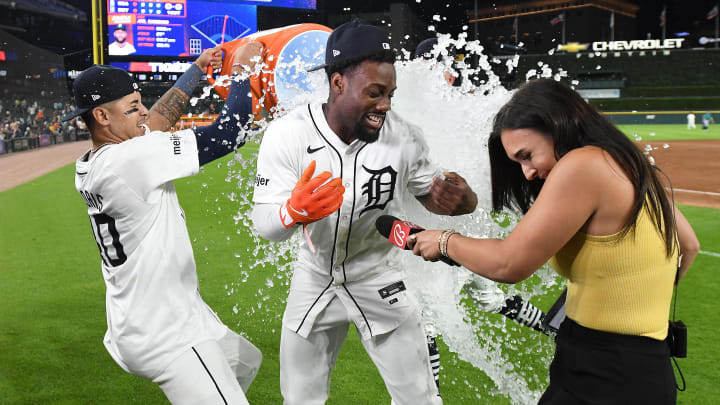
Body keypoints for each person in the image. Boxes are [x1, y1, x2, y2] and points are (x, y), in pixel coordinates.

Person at [408, 78, 700, 404]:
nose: (527, 172)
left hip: (604, 372)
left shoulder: (583, 165)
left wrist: (445, 240)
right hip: (644, 365)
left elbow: (509, 263)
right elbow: (688, 245)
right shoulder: (630, 162)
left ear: (558, 127)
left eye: (527, 155)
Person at [251, 19, 478, 405]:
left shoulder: (404, 137)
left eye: (391, 93)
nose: (386, 105)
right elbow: (265, 226)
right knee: (299, 400)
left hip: (378, 276)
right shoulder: (287, 133)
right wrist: (292, 212)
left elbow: (444, 196)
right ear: (338, 83)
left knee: (421, 399)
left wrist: (463, 199)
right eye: (375, 92)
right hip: (314, 279)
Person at [63, 42, 265, 404]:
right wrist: (243, 72)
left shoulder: (95, 162)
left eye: (139, 101)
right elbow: (227, 133)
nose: (142, 112)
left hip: (141, 317)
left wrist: (198, 68)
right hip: (166, 331)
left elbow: (158, 118)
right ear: (102, 117)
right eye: (132, 107)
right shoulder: (131, 159)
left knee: (245, 362)